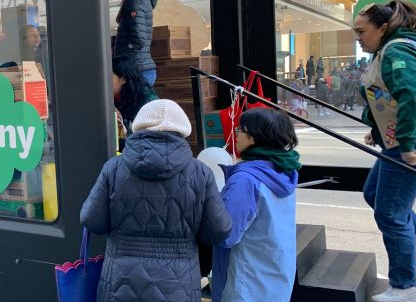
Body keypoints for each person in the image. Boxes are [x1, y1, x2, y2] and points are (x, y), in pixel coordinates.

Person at [81, 99, 232, 302]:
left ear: (139, 126)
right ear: (183, 131)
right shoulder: (200, 173)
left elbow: (91, 219)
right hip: (179, 285)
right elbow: (219, 229)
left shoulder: (114, 168)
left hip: (120, 284)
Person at [353, 0, 416, 302]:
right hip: (399, 141)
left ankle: (405, 286)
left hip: (412, 143)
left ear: (383, 28)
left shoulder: (396, 50)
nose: (358, 38)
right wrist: (377, 128)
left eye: (361, 31)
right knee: (375, 195)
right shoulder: (390, 49)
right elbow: (388, 98)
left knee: (391, 213)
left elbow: (412, 94)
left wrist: (407, 143)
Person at [212, 108, 301, 302]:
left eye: (239, 130)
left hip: (245, 284)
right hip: (275, 278)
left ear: (253, 138)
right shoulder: (283, 172)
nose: (235, 135)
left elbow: (226, 234)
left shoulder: (245, 180)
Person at [112, 0, 157, 87]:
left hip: (138, 71)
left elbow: (139, 39)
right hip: (140, 69)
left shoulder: (136, 1)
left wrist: (123, 56)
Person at [112, 55, 158, 137]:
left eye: (109, 77)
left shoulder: (147, 102)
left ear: (123, 79)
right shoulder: (111, 98)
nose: (104, 82)